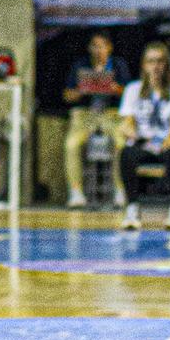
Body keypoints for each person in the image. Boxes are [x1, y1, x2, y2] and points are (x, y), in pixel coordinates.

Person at [119, 43, 170, 230]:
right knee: (126, 153)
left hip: (167, 141)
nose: (155, 66)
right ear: (143, 65)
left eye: (160, 61)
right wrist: (128, 129)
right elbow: (128, 119)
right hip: (143, 142)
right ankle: (132, 208)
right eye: (151, 61)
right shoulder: (133, 89)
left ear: (166, 64)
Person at [63, 31, 128, 209]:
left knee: (121, 144)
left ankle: (120, 190)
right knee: (71, 144)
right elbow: (67, 95)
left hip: (112, 114)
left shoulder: (118, 65)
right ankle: (76, 192)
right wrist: (81, 90)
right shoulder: (80, 66)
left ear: (109, 48)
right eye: (94, 46)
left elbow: (130, 93)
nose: (98, 50)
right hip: (86, 114)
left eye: (102, 46)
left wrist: (114, 88)